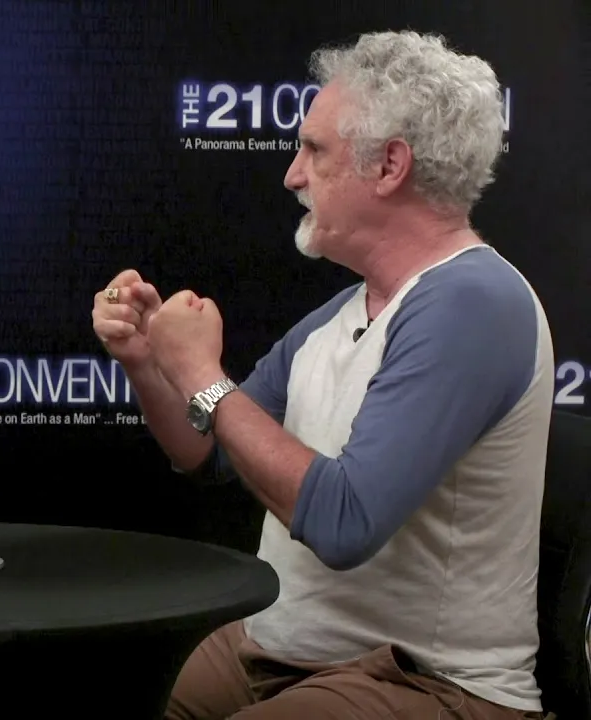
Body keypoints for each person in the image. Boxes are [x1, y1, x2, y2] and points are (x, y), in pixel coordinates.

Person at [92, 31, 551, 719]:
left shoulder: (473, 304)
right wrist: (150, 365)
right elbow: (206, 448)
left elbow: (344, 523)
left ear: (389, 165)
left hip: (427, 683)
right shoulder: (348, 310)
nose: (292, 176)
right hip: (279, 652)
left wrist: (200, 372)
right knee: (119, 683)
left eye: (314, 150)